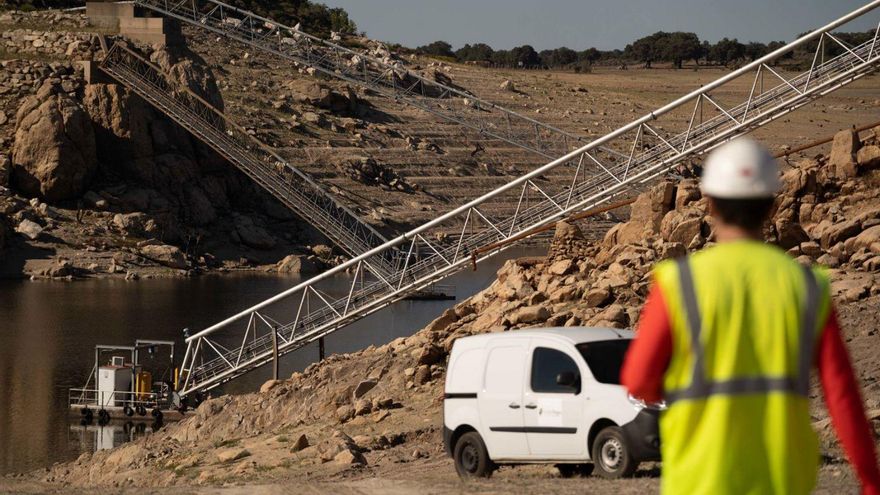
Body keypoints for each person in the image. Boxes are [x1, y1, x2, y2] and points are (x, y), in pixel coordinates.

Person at [621, 138, 880, 494]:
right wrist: (870, 478)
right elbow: (843, 397)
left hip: (699, 479)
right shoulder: (806, 286)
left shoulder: (678, 283)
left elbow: (638, 381)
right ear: (772, 206)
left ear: (709, 203)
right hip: (782, 478)